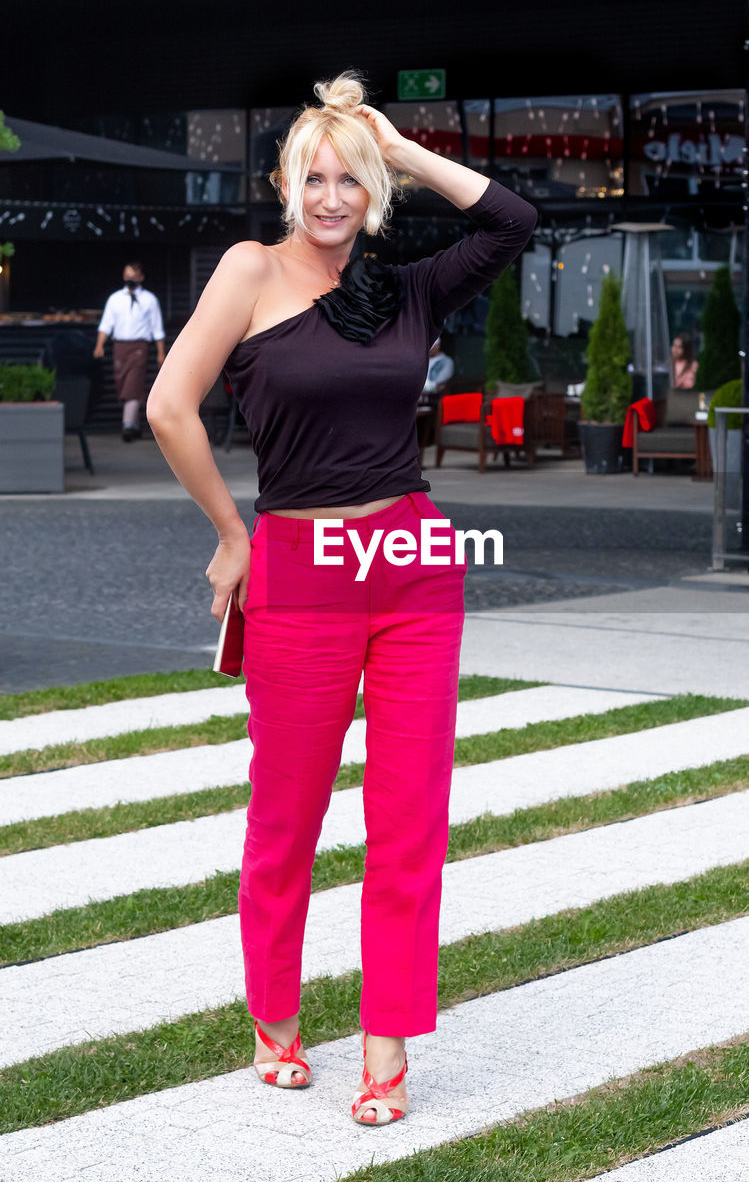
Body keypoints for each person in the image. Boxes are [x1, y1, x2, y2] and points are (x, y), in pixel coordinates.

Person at [146, 72, 536, 1126]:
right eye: (313, 177)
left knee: (408, 821)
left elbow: (511, 219)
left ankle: (386, 1046)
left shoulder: (405, 288)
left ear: (372, 192)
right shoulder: (249, 270)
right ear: (285, 184)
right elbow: (168, 405)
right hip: (299, 568)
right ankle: (275, 1018)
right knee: (289, 812)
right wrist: (234, 532)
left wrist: (397, 147)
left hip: (411, 560)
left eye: (348, 180)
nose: (329, 198)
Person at [94, 261, 165, 439]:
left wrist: (160, 352)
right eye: (127, 277)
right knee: (123, 384)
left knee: (133, 384)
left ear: (141, 278)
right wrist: (99, 345)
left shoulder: (150, 299)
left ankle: (127, 426)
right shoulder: (115, 299)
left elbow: (157, 327)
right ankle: (135, 424)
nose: (130, 280)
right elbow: (106, 324)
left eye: (133, 277)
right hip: (119, 346)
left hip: (139, 346)